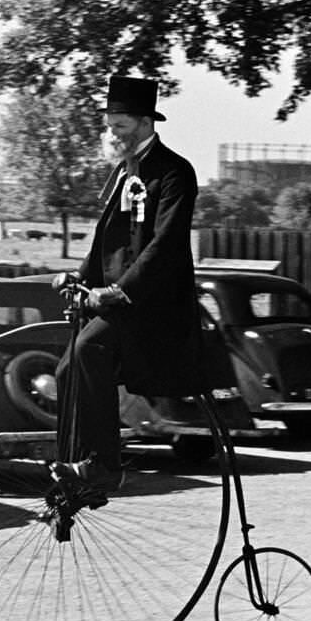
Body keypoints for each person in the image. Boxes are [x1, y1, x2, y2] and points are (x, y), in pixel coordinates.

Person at [52, 75, 200, 497]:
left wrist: (120, 291)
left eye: (118, 125)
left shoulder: (174, 173)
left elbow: (166, 245)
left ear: (144, 122)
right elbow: (106, 239)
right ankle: (75, 469)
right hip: (112, 300)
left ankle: (103, 467)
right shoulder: (123, 171)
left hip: (150, 301)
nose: (110, 133)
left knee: (89, 348)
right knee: (66, 369)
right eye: (109, 125)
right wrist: (81, 276)